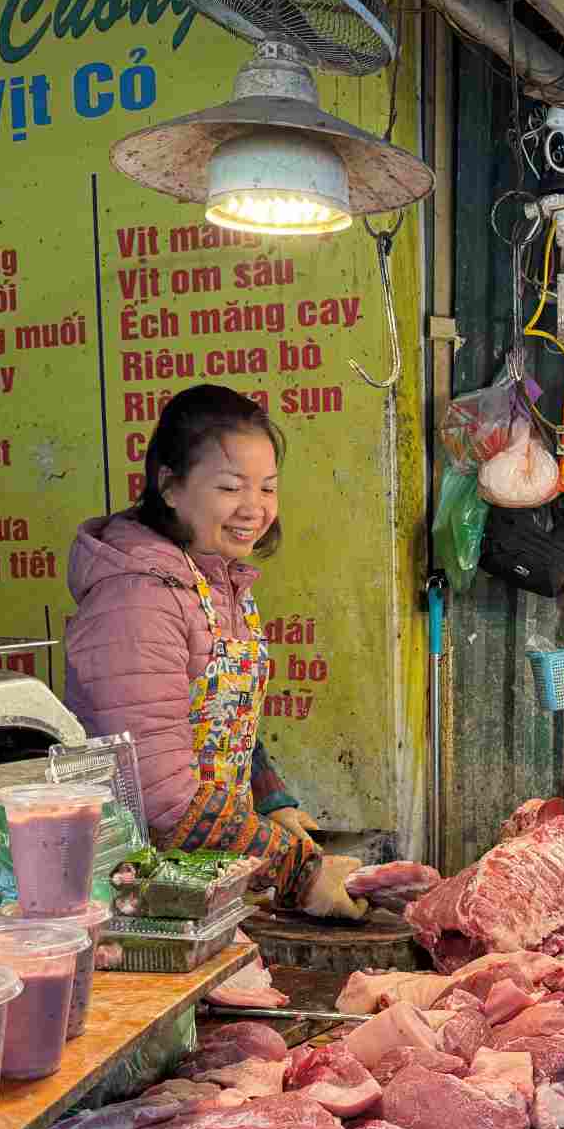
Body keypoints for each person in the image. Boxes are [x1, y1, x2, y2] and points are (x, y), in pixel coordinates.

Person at [63, 384, 367, 919]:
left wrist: (272, 798)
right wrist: (297, 866)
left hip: (200, 881)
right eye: (231, 488)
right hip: (136, 898)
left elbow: (220, 721)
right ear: (171, 488)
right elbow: (163, 800)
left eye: (268, 488)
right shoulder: (135, 601)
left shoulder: (216, 579)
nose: (255, 509)